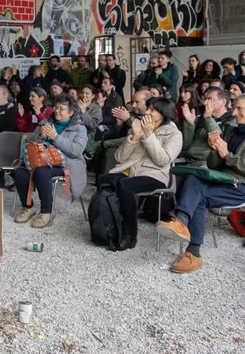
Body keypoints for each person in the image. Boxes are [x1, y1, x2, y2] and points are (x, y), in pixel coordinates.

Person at [156, 94, 245, 273]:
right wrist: (214, 149)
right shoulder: (233, 132)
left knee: (198, 196)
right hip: (223, 180)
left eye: (239, 109)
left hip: (240, 186)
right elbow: (215, 165)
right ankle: (181, 223)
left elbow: (233, 162)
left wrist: (227, 155)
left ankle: (192, 251)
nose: (234, 112)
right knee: (194, 177)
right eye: (234, 108)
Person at [97, 98, 182, 250]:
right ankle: (109, 227)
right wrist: (134, 138)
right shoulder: (139, 127)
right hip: (132, 172)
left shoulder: (174, 134)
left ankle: (129, 234)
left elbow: (162, 160)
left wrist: (149, 136)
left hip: (155, 175)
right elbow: (119, 158)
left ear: (163, 113)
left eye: (152, 110)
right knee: (104, 179)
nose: (146, 112)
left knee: (125, 185)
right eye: (147, 108)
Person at [12, 94, 88, 228]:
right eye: (56, 108)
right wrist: (40, 137)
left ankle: (46, 211)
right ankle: (28, 207)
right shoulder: (47, 123)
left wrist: (55, 137)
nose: (57, 111)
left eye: (61, 109)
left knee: (42, 172)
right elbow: (29, 141)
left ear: (70, 113)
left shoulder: (79, 128)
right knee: (20, 172)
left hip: (67, 163)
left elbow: (76, 150)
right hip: (42, 160)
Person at [181, 87, 236, 163]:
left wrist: (208, 117)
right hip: (189, 159)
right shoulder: (201, 119)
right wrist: (190, 124)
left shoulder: (232, 121)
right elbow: (186, 146)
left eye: (210, 99)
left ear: (223, 102)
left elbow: (218, 142)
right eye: (205, 99)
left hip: (208, 163)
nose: (205, 103)